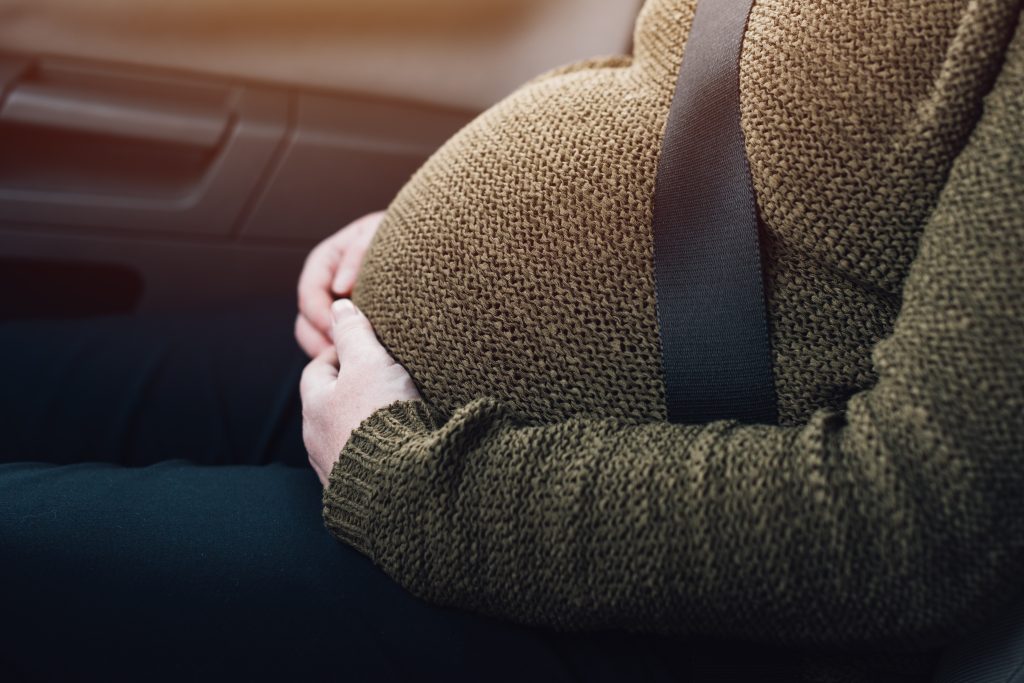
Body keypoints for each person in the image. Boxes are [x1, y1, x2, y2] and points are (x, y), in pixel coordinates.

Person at [2, 0, 1022, 681]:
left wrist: (414, 487)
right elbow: (680, 82)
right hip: (391, 392)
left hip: (538, 542)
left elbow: (921, 519)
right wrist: (416, 220)